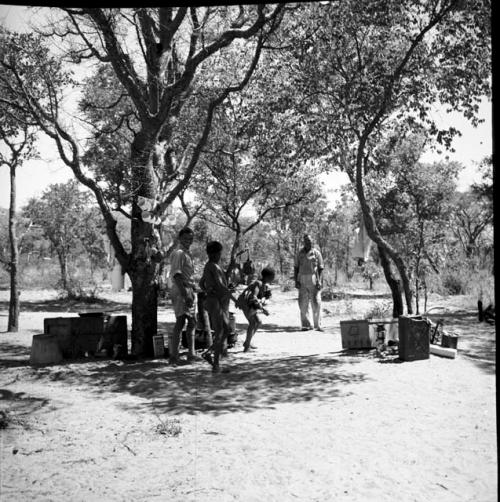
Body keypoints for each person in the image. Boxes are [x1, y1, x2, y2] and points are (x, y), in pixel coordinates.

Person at [199, 241, 238, 373]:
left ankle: (211, 356)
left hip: (216, 301)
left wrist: (207, 289)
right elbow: (221, 286)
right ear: (215, 253)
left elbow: (201, 283)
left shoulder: (212, 266)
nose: (219, 255)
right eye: (218, 253)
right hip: (214, 302)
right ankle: (215, 364)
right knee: (222, 330)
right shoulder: (213, 266)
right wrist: (234, 299)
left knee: (225, 329)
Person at [169, 227, 200, 364]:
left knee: (192, 322)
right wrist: (185, 293)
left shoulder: (188, 254)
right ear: (180, 238)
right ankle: (174, 356)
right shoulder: (179, 253)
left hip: (189, 289)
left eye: (191, 239)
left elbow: (188, 275)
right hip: (181, 290)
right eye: (186, 238)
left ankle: (191, 353)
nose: (189, 241)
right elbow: (176, 275)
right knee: (181, 321)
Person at [237, 267, 275, 352]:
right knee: (253, 323)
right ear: (267, 277)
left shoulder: (264, 285)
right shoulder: (258, 283)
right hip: (246, 304)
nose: (273, 278)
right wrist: (263, 309)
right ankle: (246, 346)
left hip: (250, 305)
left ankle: (248, 342)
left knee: (258, 322)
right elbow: (253, 297)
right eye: (272, 276)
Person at [294, 234, 324, 331]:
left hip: (313, 278)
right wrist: (296, 281)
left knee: (316, 301)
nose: (308, 242)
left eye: (310, 241)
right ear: (304, 242)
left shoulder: (316, 253)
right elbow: (296, 267)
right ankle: (306, 325)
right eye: (307, 241)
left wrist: (319, 281)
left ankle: (318, 325)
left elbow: (320, 268)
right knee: (303, 302)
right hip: (302, 278)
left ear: (312, 242)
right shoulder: (299, 253)